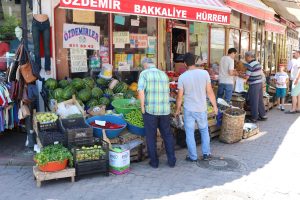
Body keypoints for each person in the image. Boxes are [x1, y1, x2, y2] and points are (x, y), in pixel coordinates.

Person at [175, 53, 218, 161]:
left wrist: (177, 110)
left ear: (185, 63)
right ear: (195, 61)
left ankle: (192, 156)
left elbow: (179, 97)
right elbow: (210, 92)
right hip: (201, 108)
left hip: (188, 109)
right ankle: (206, 154)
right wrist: (215, 106)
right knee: (204, 131)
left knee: (189, 132)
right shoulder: (204, 73)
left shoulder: (182, 77)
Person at [138, 57, 176, 168]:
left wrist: (142, 107)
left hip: (151, 110)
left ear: (145, 65)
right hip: (164, 110)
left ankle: (154, 162)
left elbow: (141, 91)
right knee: (167, 135)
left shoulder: (144, 74)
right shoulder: (163, 74)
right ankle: (172, 160)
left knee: (151, 136)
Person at [242, 51, 267, 122]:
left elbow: (246, 77)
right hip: (259, 83)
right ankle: (263, 115)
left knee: (254, 101)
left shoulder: (250, 65)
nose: (245, 58)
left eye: (245, 57)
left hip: (254, 84)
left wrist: (239, 74)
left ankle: (254, 117)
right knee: (259, 100)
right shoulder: (257, 63)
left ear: (249, 57)